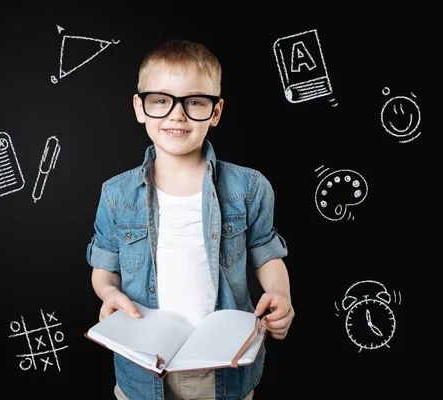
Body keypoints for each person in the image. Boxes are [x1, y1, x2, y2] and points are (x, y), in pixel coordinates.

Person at [86, 39, 294, 400]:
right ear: (140, 108)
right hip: (143, 368)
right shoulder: (116, 195)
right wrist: (109, 293)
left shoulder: (249, 187)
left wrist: (281, 296)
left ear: (215, 112)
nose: (177, 115)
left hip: (225, 367)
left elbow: (266, 254)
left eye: (195, 102)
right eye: (161, 100)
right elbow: (104, 267)